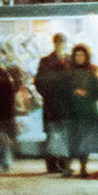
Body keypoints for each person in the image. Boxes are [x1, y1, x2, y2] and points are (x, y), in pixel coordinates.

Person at [63, 44, 98, 177]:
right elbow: (61, 92)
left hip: (87, 113)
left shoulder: (92, 73)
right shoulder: (69, 73)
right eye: (77, 55)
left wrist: (86, 93)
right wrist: (72, 92)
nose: (79, 58)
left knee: (84, 141)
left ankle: (83, 168)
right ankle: (68, 167)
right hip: (72, 111)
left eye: (82, 55)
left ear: (86, 56)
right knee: (71, 139)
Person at [35, 33, 72, 174]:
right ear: (54, 43)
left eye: (62, 42)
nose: (60, 45)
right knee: (51, 134)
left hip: (65, 105)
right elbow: (39, 82)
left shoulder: (69, 61)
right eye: (58, 42)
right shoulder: (45, 61)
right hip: (52, 104)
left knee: (64, 134)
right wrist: (49, 94)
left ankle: (63, 164)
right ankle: (51, 165)